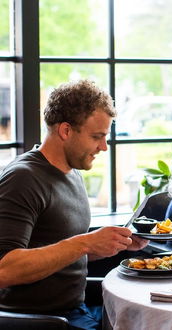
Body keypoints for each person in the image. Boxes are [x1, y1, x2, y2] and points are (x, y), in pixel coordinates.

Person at [0, 80, 148, 329]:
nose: (103, 147)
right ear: (66, 131)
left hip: (77, 310)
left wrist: (113, 244)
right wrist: (85, 242)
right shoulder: (23, 178)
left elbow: (61, 251)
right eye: (96, 137)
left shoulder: (71, 171)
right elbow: (4, 268)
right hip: (40, 321)